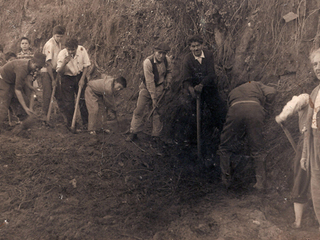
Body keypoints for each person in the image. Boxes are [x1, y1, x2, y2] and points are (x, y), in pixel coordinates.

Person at [218, 81, 276, 190]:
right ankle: (260, 184)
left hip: (235, 109)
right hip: (255, 110)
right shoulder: (256, 84)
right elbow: (271, 92)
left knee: (225, 147)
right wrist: (267, 110)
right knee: (257, 148)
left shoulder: (232, 92)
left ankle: (226, 182)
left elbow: (229, 112)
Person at [126, 42, 172, 145]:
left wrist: (168, 82)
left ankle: (156, 135)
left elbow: (169, 72)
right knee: (139, 110)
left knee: (157, 111)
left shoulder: (167, 60)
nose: (161, 56)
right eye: (159, 53)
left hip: (160, 88)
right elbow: (150, 82)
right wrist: (154, 99)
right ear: (154, 51)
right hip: (147, 88)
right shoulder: (147, 62)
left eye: (164, 53)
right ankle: (134, 131)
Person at [275, 94, 310, 229]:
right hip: (308, 139)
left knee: (302, 177)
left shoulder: (309, 97)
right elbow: (296, 103)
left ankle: (299, 221)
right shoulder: (309, 97)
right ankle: (299, 221)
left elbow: (296, 102)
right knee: (302, 176)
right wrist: (283, 116)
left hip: (310, 140)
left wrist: (282, 117)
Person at [300, 47, 320, 231]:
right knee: (316, 189)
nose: (318, 67)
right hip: (315, 145)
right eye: (315, 64)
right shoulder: (315, 92)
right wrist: (305, 155)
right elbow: (308, 126)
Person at [0, 52, 46, 129]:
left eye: (40, 68)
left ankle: (23, 124)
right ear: (32, 62)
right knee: (4, 104)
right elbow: (17, 90)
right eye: (36, 67)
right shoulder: (22, 68)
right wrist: (26, 108)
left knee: (20, 101)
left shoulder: (29, 65)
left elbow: (26, 78)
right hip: (3, 79)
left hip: (11, 81)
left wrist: (30, 87)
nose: (37, 69)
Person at [56, 37, 90, 131]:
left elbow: (86, 66)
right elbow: (60, 72)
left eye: (73, 49)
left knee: (83, 100)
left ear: (76, 47)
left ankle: (86, 123)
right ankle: (71, 123)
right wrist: (64, 63)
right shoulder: (62, 54)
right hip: (67, 78)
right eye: (69, 49)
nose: (71, 51)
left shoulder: (82, 50)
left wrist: (82, 79)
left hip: (80, 75)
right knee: (69, 102)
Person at [41, 25, 66, 119]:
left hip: (54, 71)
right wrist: (52, 79)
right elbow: (48, 63)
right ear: (53, 35)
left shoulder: (58, 43)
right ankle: (45, 116)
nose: (59, 38)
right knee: (47, 94)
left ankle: (64, 115)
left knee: (59, 93)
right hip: (46, 72)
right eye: (57, 36)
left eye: (61, 36)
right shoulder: (50, 45)